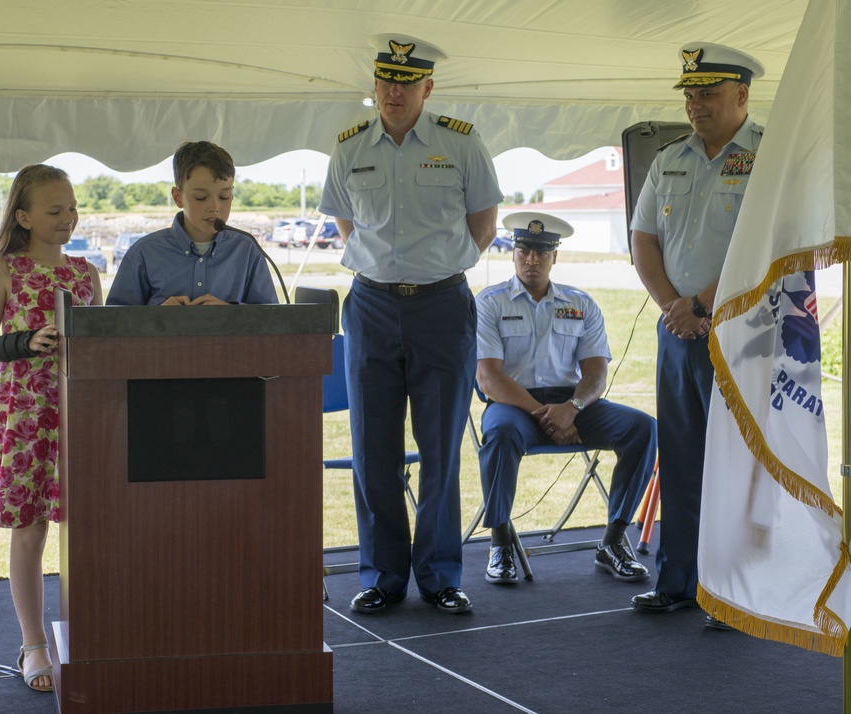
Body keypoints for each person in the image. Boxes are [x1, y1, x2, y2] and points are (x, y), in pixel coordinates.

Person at [318, 33, 503, 615]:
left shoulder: (461, 144)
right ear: (373, 85)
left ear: (428, 86)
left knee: (441, 445)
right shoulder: (349, 148)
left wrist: (433, 272)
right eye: (385, 81)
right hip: (371, 306)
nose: (394, 92)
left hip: (442, 306)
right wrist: (384, 271)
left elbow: (484, 224)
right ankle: (382, 574)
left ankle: (441, 575)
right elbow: (347, 224)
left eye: (406, 82)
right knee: (373, 448)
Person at [629, 43, 764, 620]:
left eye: (707, 93)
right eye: (689, 94)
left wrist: (701, 303)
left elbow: (763, 243)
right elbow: (643, 240)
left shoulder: (768, 158)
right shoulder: (668, 158)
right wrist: (672, 306)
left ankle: (733, 591)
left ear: (742, 94)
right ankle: (679, 579)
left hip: (746, 330)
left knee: (736, 461)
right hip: (678, 331)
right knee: (681, 456)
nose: (695, 104)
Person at [0, 164, 102, 692]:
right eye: (54, 210)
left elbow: (103, 340)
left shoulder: (87, 273)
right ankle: (34, 643)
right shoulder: (5, 268)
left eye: (71, 207)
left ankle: (90, 632)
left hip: (81, 410)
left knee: (89, 529)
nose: (68, 217)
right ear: (23, 216)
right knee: (31, 528)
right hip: (25, 414)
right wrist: (23, 342)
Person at [475, 212, 656, 586]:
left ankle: (613, 541)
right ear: (512, 252)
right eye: (524, 249)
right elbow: (490, 379)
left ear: (555, 256)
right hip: (513, 406)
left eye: (542, 252)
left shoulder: (580, 303)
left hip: (573, 405)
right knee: (500, 434)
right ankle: (500, 543)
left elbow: (595, 374)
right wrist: (549, 416)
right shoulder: (490, 303)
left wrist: (570, 410)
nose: (532, 259)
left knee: (643, 428)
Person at [106, 140, 277, 306]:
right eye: (201, 197)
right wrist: (155, 318)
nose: (215, 207)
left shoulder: (247, 251)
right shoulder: (143, 253)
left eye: (224, 197)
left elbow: (273, 320)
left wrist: (230, 315)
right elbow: (113, 324)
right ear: (178, 197)